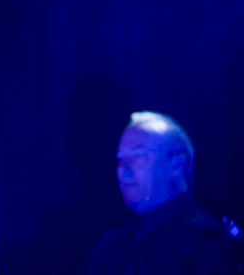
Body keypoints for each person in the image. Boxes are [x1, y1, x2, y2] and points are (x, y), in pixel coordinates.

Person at [83, 111, 233, 274]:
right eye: (120, 159)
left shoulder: (203, 241)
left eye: (137, 156)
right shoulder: (108, 245)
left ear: (177, 165)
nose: (122, 170)